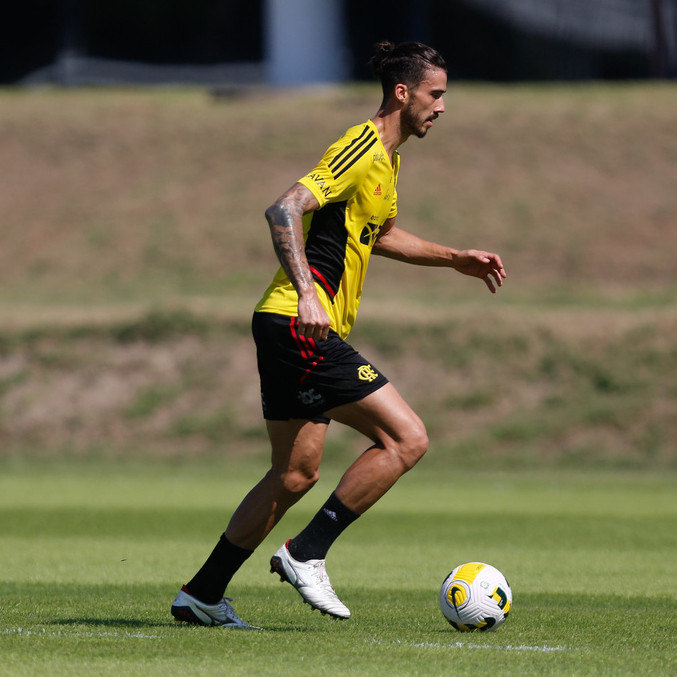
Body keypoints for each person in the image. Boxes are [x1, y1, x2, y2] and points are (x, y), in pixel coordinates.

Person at [171, 40, 506, 628]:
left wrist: (454, 257)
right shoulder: (362, 144)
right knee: (407, 439)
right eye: (436, 94)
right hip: (299, 321)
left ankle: (201, 593)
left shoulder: (389, 162)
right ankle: (307, 552)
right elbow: (284, 209)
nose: (443, 107)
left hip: (286, 325)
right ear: (402, 93)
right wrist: (306, 292)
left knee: (295, 473)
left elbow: (380, 235)